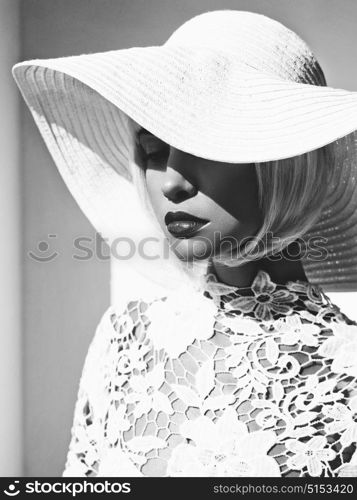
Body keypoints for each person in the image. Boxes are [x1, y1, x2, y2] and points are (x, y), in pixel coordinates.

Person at [12, 10, 357, 477]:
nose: (170, 181)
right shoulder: (125, 338)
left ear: (285, 158)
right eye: (153, 149)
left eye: (201, 141)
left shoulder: (347, 363)